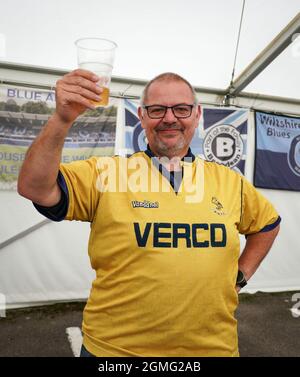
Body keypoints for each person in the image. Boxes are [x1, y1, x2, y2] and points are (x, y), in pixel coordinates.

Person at [17, 69, 281, 357]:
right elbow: (35, 187)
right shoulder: (107, 172)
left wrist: (240, 276)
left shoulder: (230, 181)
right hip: (115, 352)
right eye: (157, 110)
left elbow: (267, 224)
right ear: (141, 116)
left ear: (197, 114)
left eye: (181, 108)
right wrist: (61, 119)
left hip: (212, 350)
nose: (169, 118)